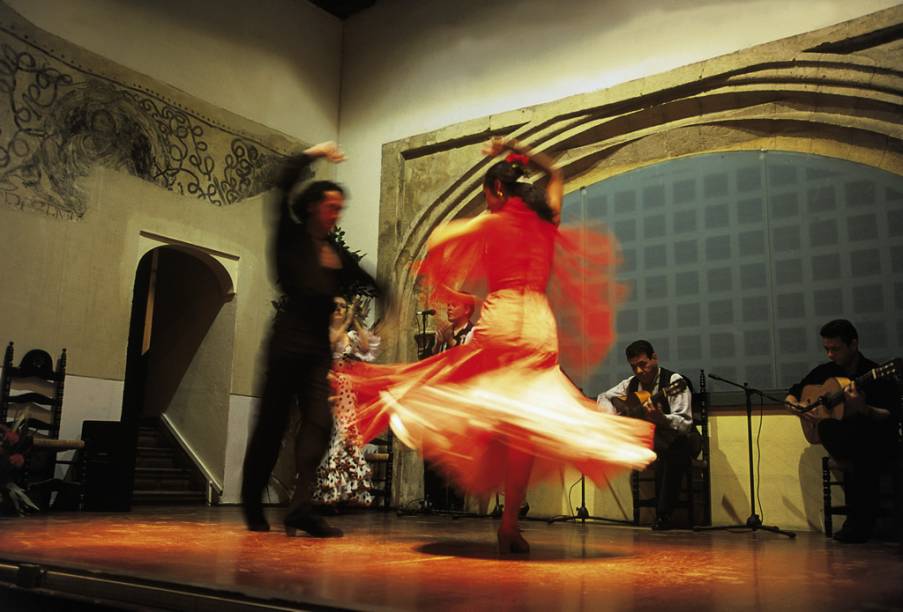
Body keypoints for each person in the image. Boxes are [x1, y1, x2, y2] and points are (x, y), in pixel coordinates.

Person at [347, 137, 655, 554]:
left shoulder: (492, 222)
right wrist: (518, 148)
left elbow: (441, 238)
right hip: (540, 328)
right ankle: (509, 523)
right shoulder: (547, 221)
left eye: (485, 196)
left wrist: (443, 278)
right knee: (524, 424)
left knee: (456, 385)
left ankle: (401, 402)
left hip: (505, 320)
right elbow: (557, 174)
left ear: (495, 191)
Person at [241, 142, 381, 538]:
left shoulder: (335, 251)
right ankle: (253, 502)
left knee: (318, 425)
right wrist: (313, 154)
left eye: (340, 208)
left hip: (318, 349)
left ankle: (300, 509)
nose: (336, 214)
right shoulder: (291, 235)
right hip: (287, 341)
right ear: (313, 207)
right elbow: (281, 187)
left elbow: (370, 279)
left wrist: (396, 300)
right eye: (331, 206)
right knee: (271, 426)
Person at [785, 319, 900, 543]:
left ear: (853, 344)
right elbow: (793, 394)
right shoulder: (825, 372)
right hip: (847, 443)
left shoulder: (875, 374)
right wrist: (797, 408)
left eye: (835, 349)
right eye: (826, 349)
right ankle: (861, 523)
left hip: (876, 440)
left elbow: (892, 415)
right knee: (829, 427)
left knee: (861, 450)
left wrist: (863, 409)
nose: (829, 355)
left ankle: (859, 524)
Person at [596, 340, 697, 531]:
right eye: (634, 367)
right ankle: (661, 513)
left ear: (654, 358)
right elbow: (603, 397)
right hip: (654, 441)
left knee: (671, 452)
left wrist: (662, 419)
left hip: (682, 440)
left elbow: (685, 423)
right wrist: (614, 418)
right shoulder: (631, 384)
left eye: (643, 364)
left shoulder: (674, 382)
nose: (639, 371)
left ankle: (663, 514)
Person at [310, 296, 379, 509]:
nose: (339, 309)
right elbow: (329, 347)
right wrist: (347, 320)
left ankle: (341, 494)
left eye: (342, 306)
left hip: (348, 394)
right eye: (336, 306)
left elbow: (366, 348)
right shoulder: (325, 333)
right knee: (333, 438)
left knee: (347, 438)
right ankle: (326, 493)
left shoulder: (349, 335)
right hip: (329, 390)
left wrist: (356, 319)